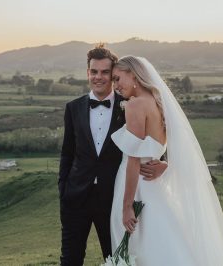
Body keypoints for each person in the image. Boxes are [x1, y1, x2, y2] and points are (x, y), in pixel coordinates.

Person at [110, 56, 223, 265]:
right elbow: (167, 146)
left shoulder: (135, 106)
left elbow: (133, 161)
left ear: (133, 74)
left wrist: (126, 206)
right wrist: (166, 164)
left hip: (138, 188)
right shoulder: (158, 103)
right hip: (156, 189)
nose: (115, 86)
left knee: (140, 248)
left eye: (118, 79)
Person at [58, 45, 167, 266]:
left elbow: (154, 137)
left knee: (116, 256)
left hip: (112, 198)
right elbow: (67, 152)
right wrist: (63, 189)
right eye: (93, 71)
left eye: (105, 72)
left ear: (112, 74)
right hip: (76, 196)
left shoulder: (129, 104)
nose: (98, 77)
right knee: (70, 259)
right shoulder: (73, 108)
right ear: (87, 72)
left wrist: (164, 163)